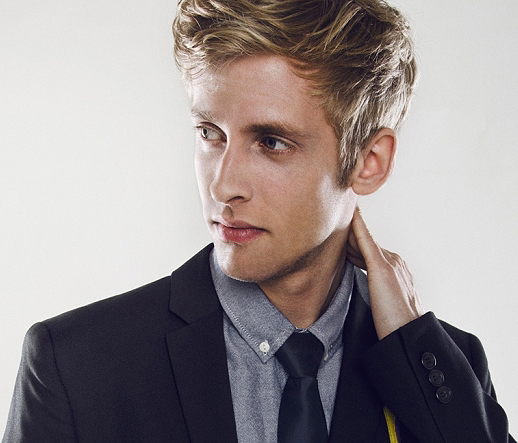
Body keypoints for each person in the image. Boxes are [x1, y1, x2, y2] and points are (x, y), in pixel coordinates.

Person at [3, 0, 514, 441]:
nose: (223, 186)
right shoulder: (75, 366)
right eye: (210, 133)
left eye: (271, 142)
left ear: (369, 161)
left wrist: (412, 345)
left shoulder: (443, 369)